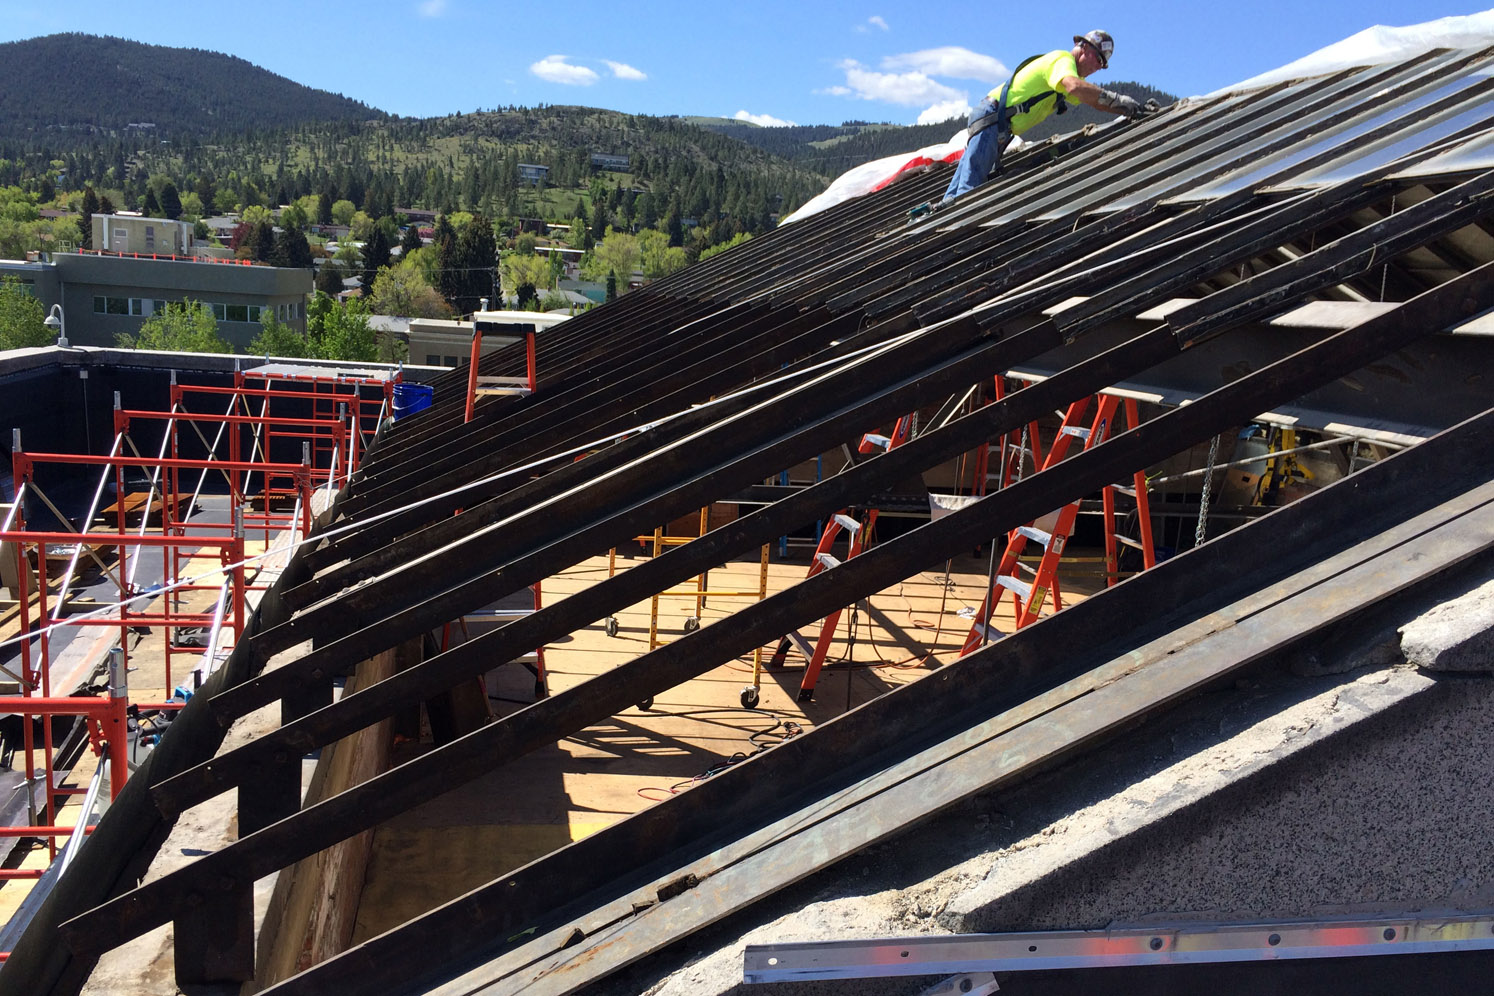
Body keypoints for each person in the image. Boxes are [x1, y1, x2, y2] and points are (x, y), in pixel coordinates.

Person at [936, 30, 1153, 206]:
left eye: (1102, 64)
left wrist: (1129, 110)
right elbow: (1076, 87)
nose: (1097, 67)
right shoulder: (1062, 60)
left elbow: (1092, 100)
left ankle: (941, 214)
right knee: (969, 196)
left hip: (995, 124)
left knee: (955, 197)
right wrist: (1120, 100)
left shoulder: (1064, 79)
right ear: (1083, 47)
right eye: (1097, 58)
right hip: (991, 120)